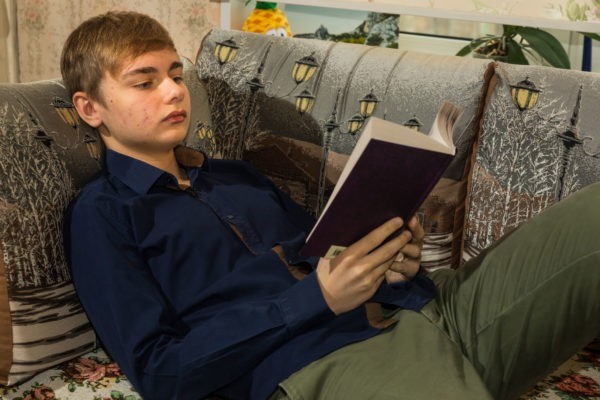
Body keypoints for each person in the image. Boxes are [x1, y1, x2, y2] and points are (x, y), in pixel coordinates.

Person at [62, 11, 600, 400]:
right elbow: (161, 372)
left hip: (434, 308)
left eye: (177, 75)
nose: (173, 92)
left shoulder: (235, 175)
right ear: (90, 108)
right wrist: (314, 298)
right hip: (321, 362)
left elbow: (329, 251)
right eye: (145, 82)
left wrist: (392, 262)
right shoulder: (103, 214)